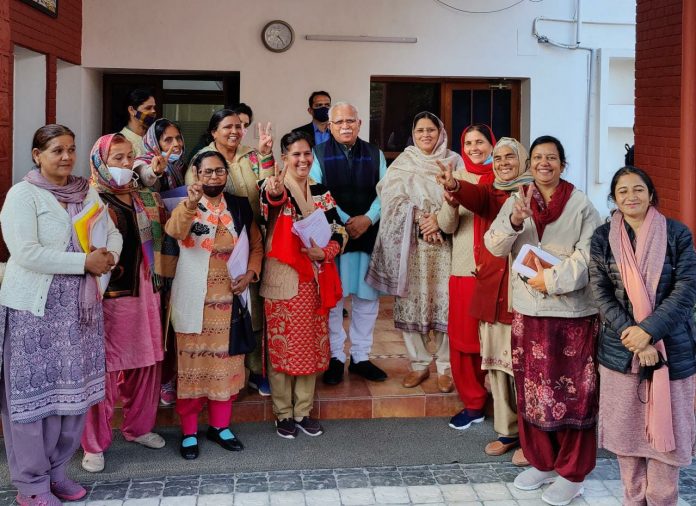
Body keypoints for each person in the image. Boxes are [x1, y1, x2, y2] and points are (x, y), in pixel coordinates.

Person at [0, 124, 122, 505]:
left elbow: (112, 235)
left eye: (70, 149)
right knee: (32, 402)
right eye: (56, 150)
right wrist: (84, 261)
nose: (66, 157)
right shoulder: (23, 195)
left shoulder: (88, 194)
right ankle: (31, 485)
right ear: (37, 155)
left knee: (72, 399)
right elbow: (26, 253)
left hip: (79, 316)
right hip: (34, 314)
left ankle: (57, 473)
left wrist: (108, 257)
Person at [484, 135, 601, 505]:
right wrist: (514, 222)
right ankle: (543, 461)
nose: (544, 164)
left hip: (571, 316)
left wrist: (549, 279)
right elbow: (494, 245)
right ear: (529, 164)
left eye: (552, 158)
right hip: (528, 314)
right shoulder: (519, 200)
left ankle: (572, 472)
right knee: (533, 392)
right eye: (537, 158)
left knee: (574, 394)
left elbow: (589, 257)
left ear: (563, 165)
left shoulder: (581, 205)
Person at [590, 166, 696, 506]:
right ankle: (632, 500)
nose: (630, 197)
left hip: (673, 353)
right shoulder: (602, 237)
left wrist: (648, 333)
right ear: (614, 198)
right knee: (628, 437)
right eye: (622, 191)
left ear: (651, 194)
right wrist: (634, 338)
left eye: (638, 189)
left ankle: (662, 500)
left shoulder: (678, 234)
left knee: (669, 441)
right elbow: (601, 292)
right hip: (622, 355)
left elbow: (686, 289)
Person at [432, 137, 533, 465]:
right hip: (479, 276)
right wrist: (453, 189)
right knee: (482, 349)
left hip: (518, 283)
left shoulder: (532, 190)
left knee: (517, 356)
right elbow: (465, 206)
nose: (502, 161)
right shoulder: (480, 187)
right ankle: (495, 420)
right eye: (469, 142)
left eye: (509, 156)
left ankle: (529, 433)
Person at [80, 133, 176, 473]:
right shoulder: (89, 200)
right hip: (109, 297)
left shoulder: (144, 196)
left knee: (147, 363)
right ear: (99, 162)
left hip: (147, 293)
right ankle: (94, 444)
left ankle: (138, 428)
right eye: (116, 158)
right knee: (104, 369)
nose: (124, 164)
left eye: (128, 157)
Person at [165, 150, 263, 460]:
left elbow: (256, 244)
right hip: (194, 299)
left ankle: (220, 427)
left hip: (230, 298)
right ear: (195, 174)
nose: (213, 177)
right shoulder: (185, 204)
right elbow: (175, 232)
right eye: (207, 172)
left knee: (225, 367)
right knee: (194, 367)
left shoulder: (237, 205)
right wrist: (191, 204)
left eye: (219, 171)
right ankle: (190, 432)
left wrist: (250, 273)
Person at [260, 131, 347, 438]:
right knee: (282, 346)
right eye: (295, 154)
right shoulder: (275, 186)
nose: (303, 159)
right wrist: (269, 171)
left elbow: (339, 229)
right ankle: (283, 413)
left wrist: (326, 252)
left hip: (316, 278)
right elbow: (271, 200)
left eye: (307, 154)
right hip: (282, 279)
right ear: (284, 158)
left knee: (310, 345)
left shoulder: (321, 190)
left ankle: (303, 411)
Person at [366, 112, 458, 392]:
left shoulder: (455, 161)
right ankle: (418, 364)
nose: (426, 135)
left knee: (446, 303)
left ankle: (445, 367)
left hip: (446, 245)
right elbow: (390, 198)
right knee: (412, 302)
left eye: (431, 130)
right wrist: (419, 217)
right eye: (420, 131)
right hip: (412, 247)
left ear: (441, 132)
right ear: (413, 134)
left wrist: (438, 221)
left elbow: (462, 196)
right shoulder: (404, 163)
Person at [186, 109, 275, 396]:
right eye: (227, 126)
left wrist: (265, 156)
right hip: (213, 245)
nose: (235, 131)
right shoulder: (203, 159)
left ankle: (256, 371)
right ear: (214, 131)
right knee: (220, 314)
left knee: (253, 307)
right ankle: (220, 373)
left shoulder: (252, 154)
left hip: (251, 236)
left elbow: (270, 189)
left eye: (239, 126)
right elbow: (192, 200)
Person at [310, 102, 388, 385]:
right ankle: (335, 358)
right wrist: (346, 220)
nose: (345, 126)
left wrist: (367, 218)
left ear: (359, 124)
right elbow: (318, 191)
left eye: (350, 121)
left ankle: (360, 357)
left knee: (367, 300)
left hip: (368, 235)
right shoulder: (317, 154)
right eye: (339, 121)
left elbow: (385, 191)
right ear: (329, 126)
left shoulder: (374, 153)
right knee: (334, 301)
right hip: (334, 237)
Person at [433, 124, 496, 431]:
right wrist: (451, 201)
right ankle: (473, 403)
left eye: (480, 142)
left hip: (498, 271)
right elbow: (446, 227)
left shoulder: (504, 178)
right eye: (468, 142)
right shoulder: (457, 179)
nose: (474, 148)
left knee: (496, 339)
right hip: (464, 270)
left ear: (491, 144)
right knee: (464, 339)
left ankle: (500, 399)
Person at [134, 118, 187, 193]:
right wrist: (155, 171)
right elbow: (144, 175)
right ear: (154, 143)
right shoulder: (141, 162)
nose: (176, 144)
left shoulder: (181, 165)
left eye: (178, 138)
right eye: (168, 140)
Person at [120, 88, 156, 157]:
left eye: (154, 108)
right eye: (148, 108)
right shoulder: (122, 141)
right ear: (131, 110)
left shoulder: (153, 138)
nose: (153, 111)